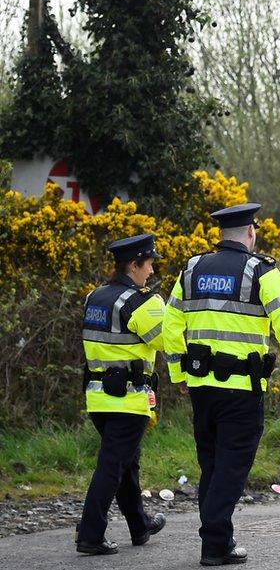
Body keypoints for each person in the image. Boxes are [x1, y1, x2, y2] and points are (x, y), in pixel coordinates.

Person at [163, 202, 280, 566]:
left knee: (213, 465)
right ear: (250, 232)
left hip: (201, 386)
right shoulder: (260, 272)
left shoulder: (191, 269)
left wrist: (178, 374)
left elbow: (170, 325)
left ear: (221, 234)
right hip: (241, 390)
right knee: (231, 469)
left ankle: (221, 538)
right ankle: (215, 545)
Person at [76, 234, 167, 555]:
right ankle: (90, 534)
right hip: (128, 399)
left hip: (97, 396)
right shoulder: (142, 301)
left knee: (127, 462)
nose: (151, 273)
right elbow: (167, 341)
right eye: (149, 265)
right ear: (133, 265)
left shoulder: (94, 297)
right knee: (113, 465)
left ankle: (139, 525)